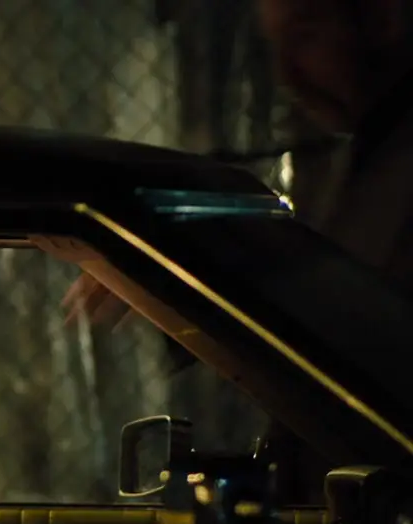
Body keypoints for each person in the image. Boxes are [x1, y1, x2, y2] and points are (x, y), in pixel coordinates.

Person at [67, 0, 413, 320]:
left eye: (305, 37)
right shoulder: (368, 155)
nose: (287, 76)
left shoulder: (393, 168)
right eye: (276, 46)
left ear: (384, 15)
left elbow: (348, 318)